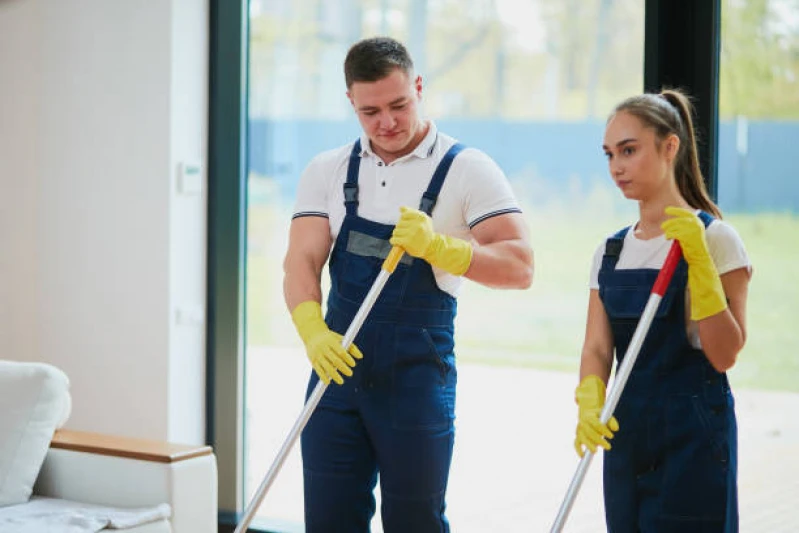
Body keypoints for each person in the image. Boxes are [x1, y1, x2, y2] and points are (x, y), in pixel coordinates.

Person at [282, 36, 534, 532]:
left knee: (415, 520)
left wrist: (443, 248)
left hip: (417, 378)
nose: (387, 123)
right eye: (370, 111)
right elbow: (300, 264)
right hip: (338, 372)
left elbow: (520, 266)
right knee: (329, 519)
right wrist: (312, 331)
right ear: (351, 102)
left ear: (418, 87)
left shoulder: (467, 170)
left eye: (399, 105)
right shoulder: (329, 170)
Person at [573, 88, 752, 532]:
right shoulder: (610, 251)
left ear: (669, 146)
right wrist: (589, 398)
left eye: (629, 151)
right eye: (610, 154)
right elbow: (597, 346)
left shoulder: (716, 239)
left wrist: (700, 266)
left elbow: (724, 354)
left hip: (693, 438)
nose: (617, 166)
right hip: (627, 433)